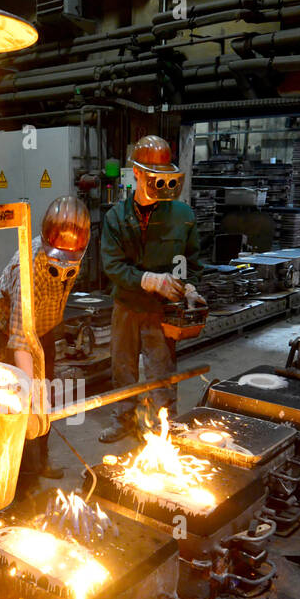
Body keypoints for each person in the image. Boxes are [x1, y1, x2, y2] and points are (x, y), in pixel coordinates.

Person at [97, 135, 202, 443]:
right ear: (138, 173)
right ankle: (124, 420)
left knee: (161, 370)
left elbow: (191, 261)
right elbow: (112, 266)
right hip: (127, 306)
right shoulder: (116, 217)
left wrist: (191, 285)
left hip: (161, 311)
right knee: (123, 368)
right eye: (153, 177)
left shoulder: (183, 216)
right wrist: (149, 280)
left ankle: (161, 425)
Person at [0, 195, 91, 487]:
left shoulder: (74, 255)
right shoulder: (30, 267)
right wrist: (31, 390)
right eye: (60, 256)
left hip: (42, 330)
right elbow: (21, 340)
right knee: (22, 402)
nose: (65, 263)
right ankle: (21, 480)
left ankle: (40, 461)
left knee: (44, 396)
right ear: (48, 239)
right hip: (11, 334)